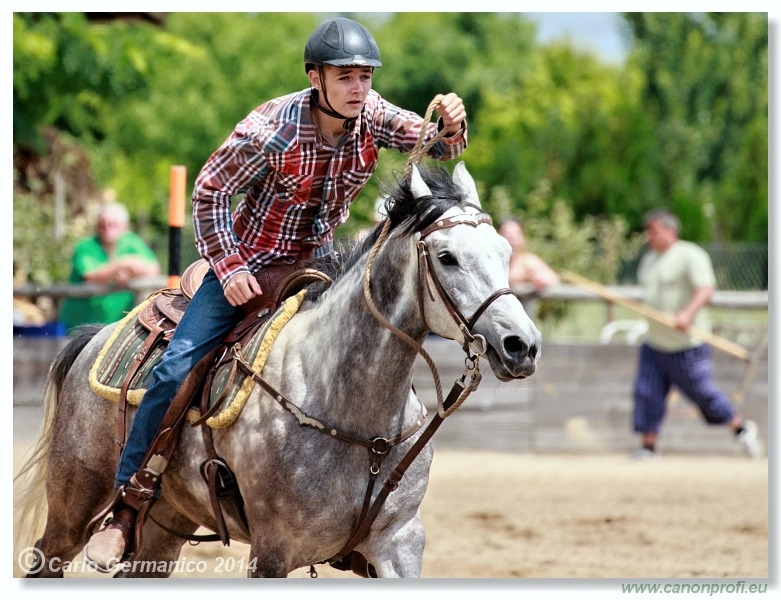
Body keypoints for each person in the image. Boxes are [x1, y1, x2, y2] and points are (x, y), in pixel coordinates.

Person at [84, 17, 468, 569]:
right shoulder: (270, 129)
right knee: (174, 369)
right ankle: (127, 507)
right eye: (345, 77)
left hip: (319, 265)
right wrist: (229, 263)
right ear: (316, 78)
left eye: (364, 76)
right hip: (248, 265)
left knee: (361, 353)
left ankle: (349, 516)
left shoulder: (374, 114)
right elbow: (209, 192)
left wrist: (452, 127)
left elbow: (436, 148)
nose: (358, 87)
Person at [630, 209, 761, 460]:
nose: (649, 237)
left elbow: (705, 288)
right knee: (647, 392)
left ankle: (741, 429)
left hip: (686, 343)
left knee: (702, 392)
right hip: (655, 342)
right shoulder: (649, 259)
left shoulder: (690, 255)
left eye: (654, 231)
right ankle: (648, 447)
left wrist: (687, 314)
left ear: (670, 231)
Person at [59, 198, 160, 332]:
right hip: (80, 326)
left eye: (113, 224)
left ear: (124, 226)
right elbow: (90, 275)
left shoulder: (131, 242)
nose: (107, 228)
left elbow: (153, 268)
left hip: (116, 329)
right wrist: (122, 264)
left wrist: (131, 274)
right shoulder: (86, 246)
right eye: (103, 224)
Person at [497, 217, 559, 291]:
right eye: (508, 234)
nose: (513, 239)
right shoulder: (493, 261)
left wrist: (540, 280)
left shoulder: (528, 260)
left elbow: (554, 279)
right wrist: (526, 278)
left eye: (516, 234)